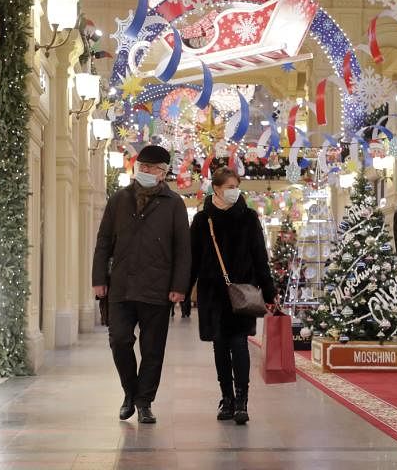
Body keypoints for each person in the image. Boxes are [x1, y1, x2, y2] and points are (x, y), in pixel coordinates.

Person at [92, 145, 191, 424]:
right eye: (142, 167)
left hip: (158, 288)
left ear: (163, 172)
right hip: (121, 286)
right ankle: (129, 393)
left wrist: (179, 286)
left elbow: (183, 249)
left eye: (152, 168)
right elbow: (103, 241)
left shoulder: (174, 204)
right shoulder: (119, 199)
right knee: (119, 341)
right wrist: (99, 278)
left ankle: (144, 401)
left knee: (152, 349)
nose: (145, 172)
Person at [188, 167, 276, 425]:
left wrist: (269, 291)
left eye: (236, 186)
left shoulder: (248, 218)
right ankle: (226, 397)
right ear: (216, 188)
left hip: (242, 293)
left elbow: (260, 257)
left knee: (239, 345)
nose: (233, 191)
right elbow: (192, 259)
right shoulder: (203, 220)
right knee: (219, 347)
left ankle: (241, 400)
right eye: (229, 187)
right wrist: (182, 289)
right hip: (213, 294)